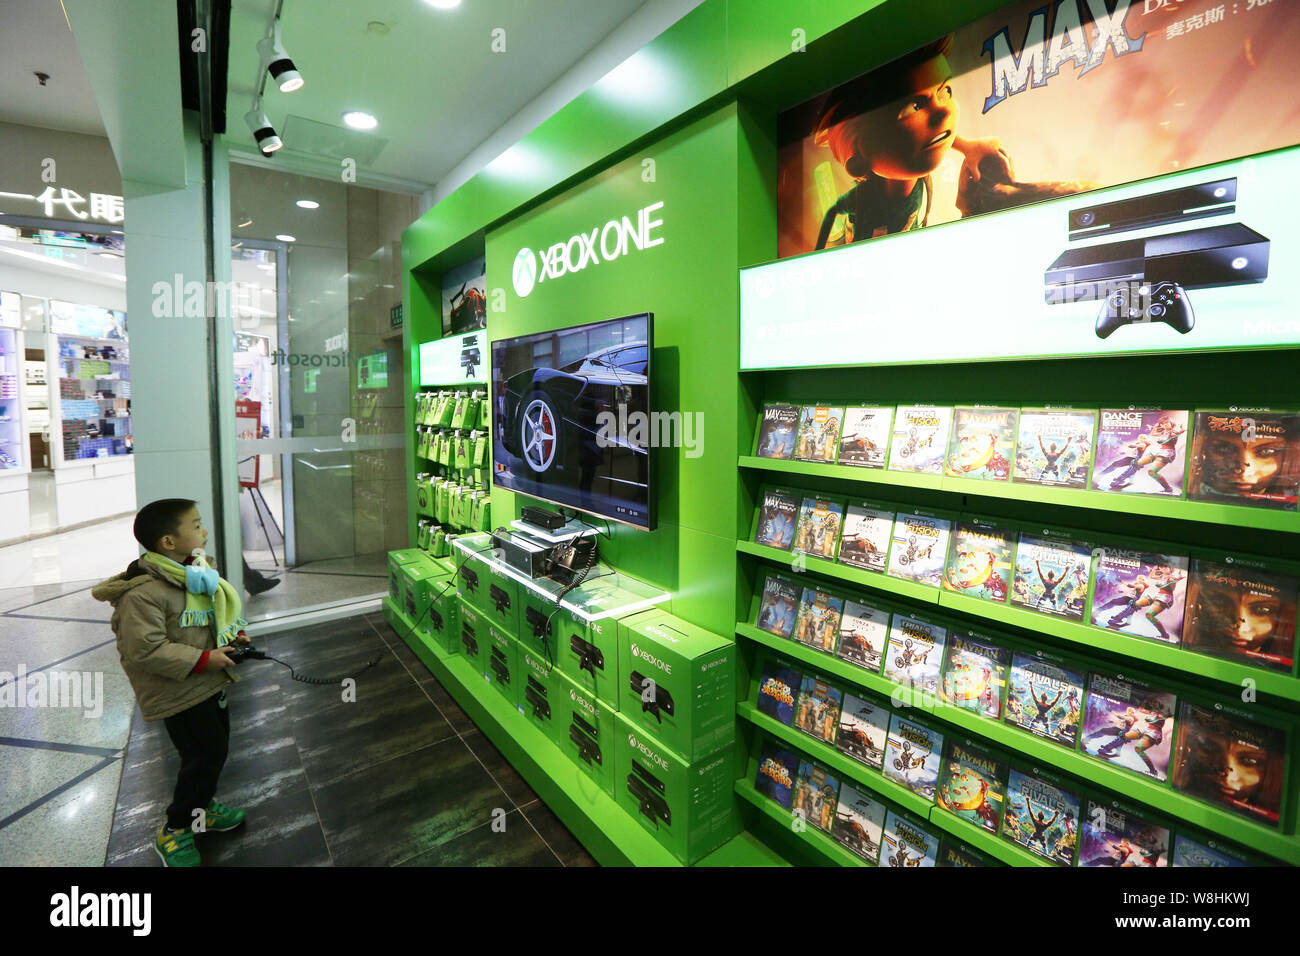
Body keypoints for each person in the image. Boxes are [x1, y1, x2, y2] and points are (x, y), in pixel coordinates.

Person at [92, 498, 249, 867]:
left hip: (207, 682)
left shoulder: (194, 574)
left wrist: (228, 638)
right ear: (168, 542)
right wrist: (205, 658)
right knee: (202, 756)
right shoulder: (142, 593)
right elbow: (144, 650)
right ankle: (176, 829)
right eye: (195, 525)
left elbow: (199, 624)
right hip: (178, 691)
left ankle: (202, 809)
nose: (204, 531)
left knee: (214, 751)